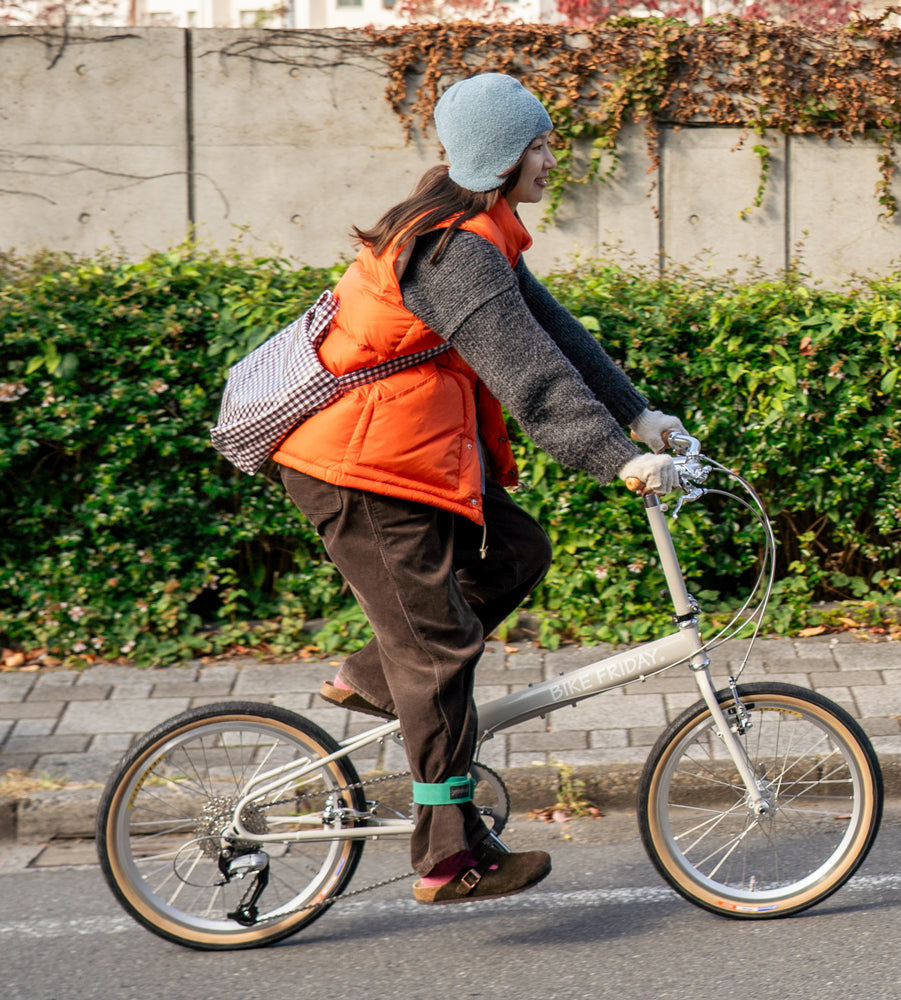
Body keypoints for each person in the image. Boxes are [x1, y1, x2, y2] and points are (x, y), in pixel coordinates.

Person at [273, 73, 689, 905]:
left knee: (518, 551)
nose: (551, 156)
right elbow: (530, 380)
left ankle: (372, 676)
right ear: (501, 158)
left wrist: (638, 415)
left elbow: (552, 331)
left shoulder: (478, 232)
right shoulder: (455, 253)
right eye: (538, 144)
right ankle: (449, 856)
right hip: (362, 472)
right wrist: (617, 461)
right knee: (440, 653)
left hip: (406, 457)